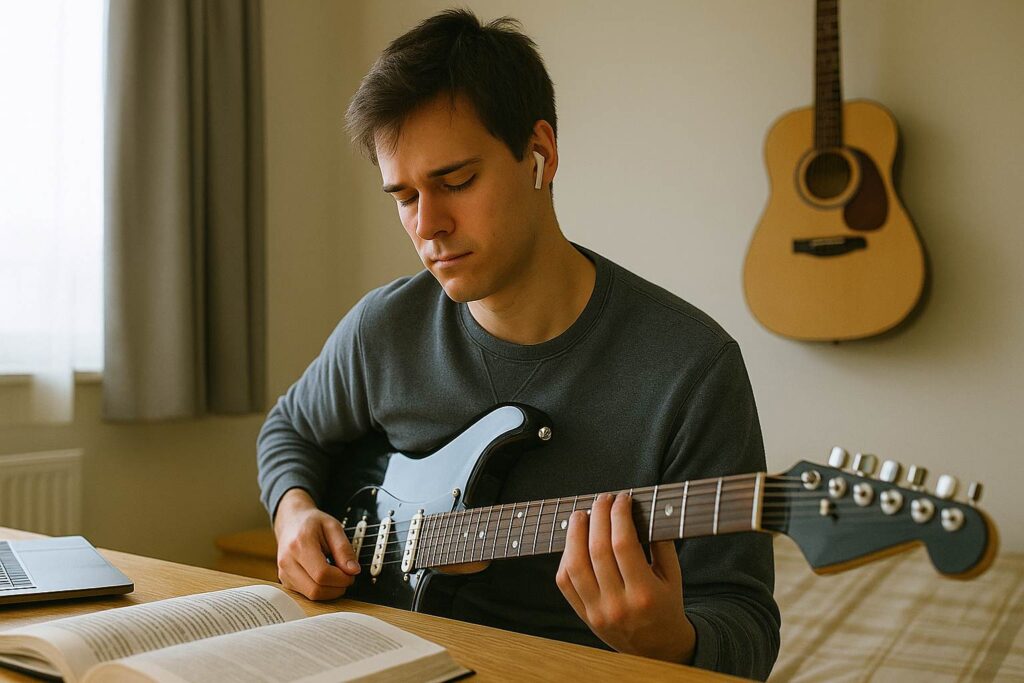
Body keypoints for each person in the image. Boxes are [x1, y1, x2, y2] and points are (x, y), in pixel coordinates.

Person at [257, 9, 780, 680]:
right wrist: (293, 512)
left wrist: (670, 640)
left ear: (541, 153)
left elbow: (746, 624)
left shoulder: (692, 369)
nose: (428, 225)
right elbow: (288, 429)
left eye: (456, 181)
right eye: (404, 195)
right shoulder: (382, 327)